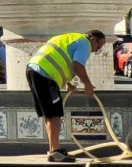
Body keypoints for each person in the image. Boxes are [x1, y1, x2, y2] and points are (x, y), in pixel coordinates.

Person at [26, 29, 106, 163]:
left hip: (34, 70)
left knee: (50, 115)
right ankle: (55, 152)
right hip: (45, 75)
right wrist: (87, 84)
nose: (95, 51)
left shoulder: (73, 38)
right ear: (93, 39)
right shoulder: (85, 43)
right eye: (98, 46)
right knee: (55, 114)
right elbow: (77, 65)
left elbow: (60, 57)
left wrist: (66, 83)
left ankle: (53, 150)